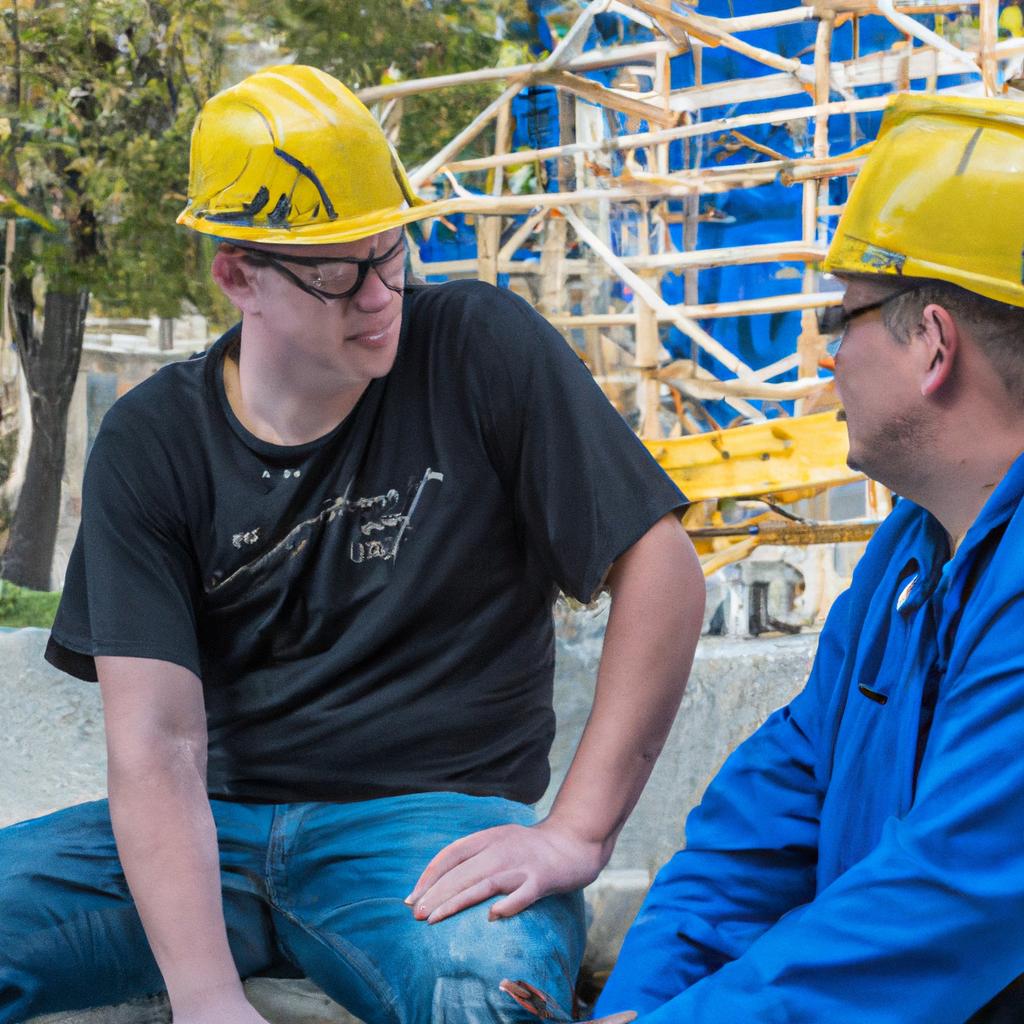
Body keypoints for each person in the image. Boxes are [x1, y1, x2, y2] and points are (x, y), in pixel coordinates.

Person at [0, 66, 705, 1024]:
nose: (381, 296)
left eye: (391, 252)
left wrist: (576, 833)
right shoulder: (153, 441)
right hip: (209, 829)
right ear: (238, 274)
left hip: (432, 831)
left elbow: (661, 569)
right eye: (337, 270)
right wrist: (207, 999)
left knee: (484, 991)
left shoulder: (478, 349)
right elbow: (157, 746)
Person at [595, 92, 1024, 1023]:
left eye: (843, 321)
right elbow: (764, 819)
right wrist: (644, 1002)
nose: (826, 358)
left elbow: (946, 900)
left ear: (935, 344)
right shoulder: (907, 559)